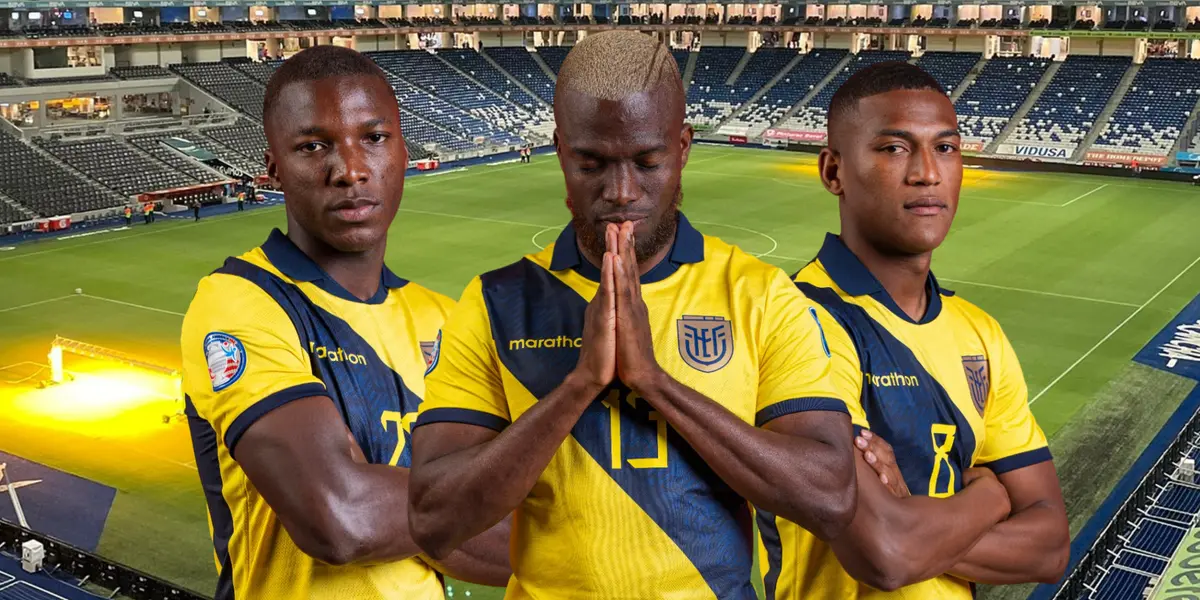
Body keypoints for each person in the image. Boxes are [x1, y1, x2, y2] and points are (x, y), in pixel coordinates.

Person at [407, 30, 856, 598]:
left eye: (647, 161)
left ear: (684, 149)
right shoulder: (496, 302)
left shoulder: (759, 294)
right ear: (561, 151)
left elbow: (830, 498)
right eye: (592, 163)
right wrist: (579, 385)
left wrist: (653, 381)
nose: (621, 192)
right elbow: (434, 520)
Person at [179, 45, 510, 600]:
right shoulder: (240, 302)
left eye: (375, 139)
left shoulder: (444, 319)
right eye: (313, 146)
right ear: (274, 168)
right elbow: (340, 516)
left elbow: (504, 539)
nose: (350, 170)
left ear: (404, 152)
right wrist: (460, 503)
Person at [758, 62, 1070, 598]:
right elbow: (886, 552)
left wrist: (912, 518)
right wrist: (989, 499)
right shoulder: (795, 319)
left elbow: (1050, 547)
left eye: (945, 148)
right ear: (833, 172)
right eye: (894, 149)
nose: (927, 173)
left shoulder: (980, 333)